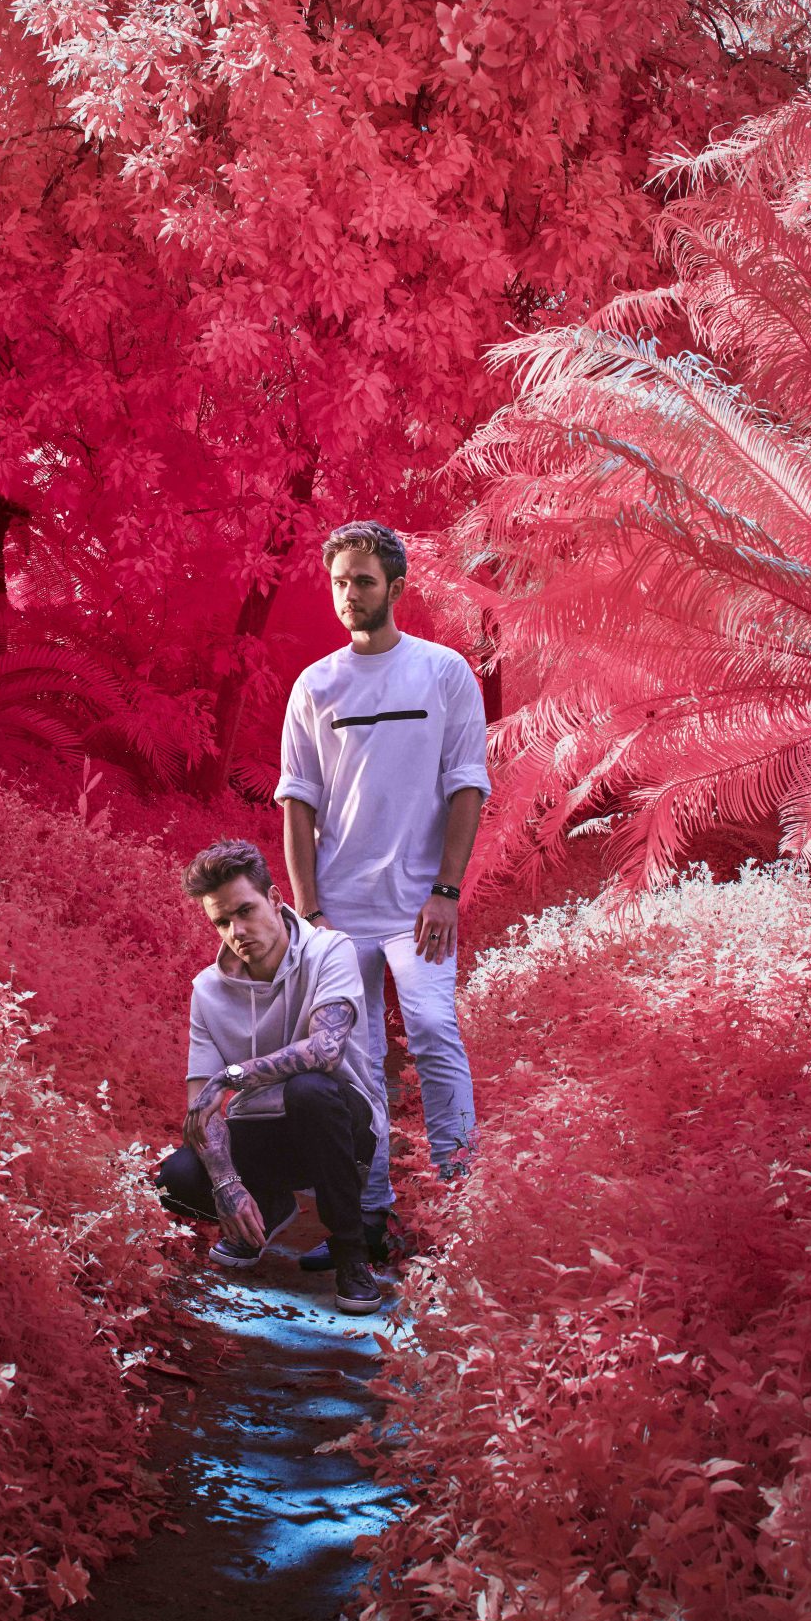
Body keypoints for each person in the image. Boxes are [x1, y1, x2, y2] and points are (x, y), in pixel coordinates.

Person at [277, 520, 489, 1269]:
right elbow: (296, 802)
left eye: (363, 581)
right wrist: (308, 912)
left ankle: (465, 1209)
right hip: (338, 909)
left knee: (433, 1032)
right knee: (355, 1065)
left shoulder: (442, 673)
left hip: (418, 908)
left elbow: (466, 786)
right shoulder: (316, 685)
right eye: (339, 581)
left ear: (395, 588)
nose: (349, 594)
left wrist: (445, 890)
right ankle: (364, 1222)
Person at [157, 838, 390, 1315]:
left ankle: (352, 1256)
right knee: (173, 1178)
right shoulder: (207, 990)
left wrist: (235, 1075)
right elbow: (199, 1104)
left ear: (276, 899)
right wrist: (227, 1183)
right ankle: (268, 1206)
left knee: (310, 1090)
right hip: (263, 1131)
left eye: (245, 910)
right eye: (222, 921)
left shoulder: (330, 949)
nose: (236, 931)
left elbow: (325, 1051)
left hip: (340, 1121)